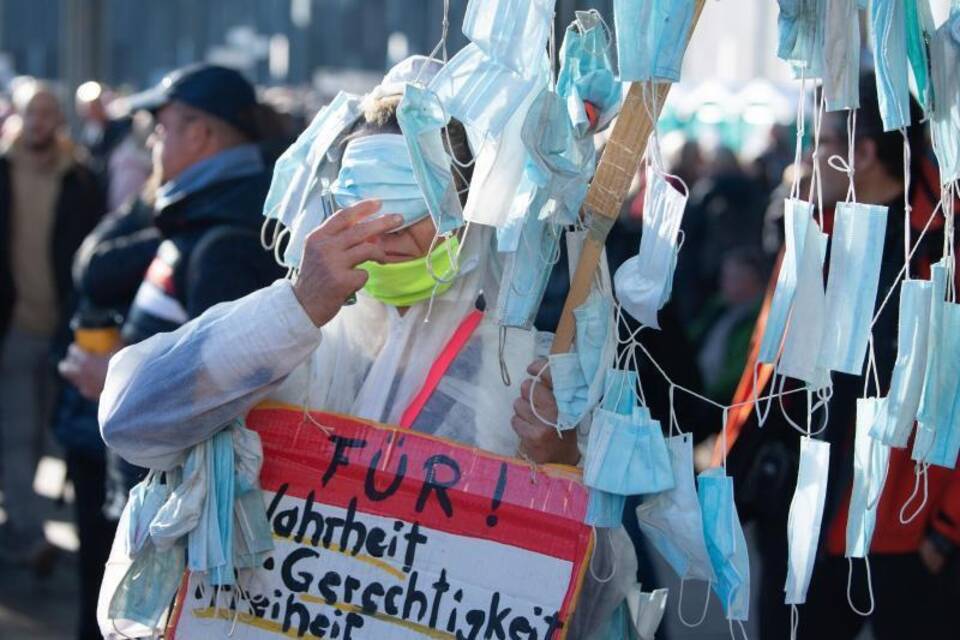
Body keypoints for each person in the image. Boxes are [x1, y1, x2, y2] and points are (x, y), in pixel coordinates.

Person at [98, 57, 634, 638]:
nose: (388, 236)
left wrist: (558, 466)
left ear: (470, 214)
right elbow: (133, 422)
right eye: (366, 207)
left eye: (415, 209)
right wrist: (296, 306)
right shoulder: (288, 341)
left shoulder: (525, 380)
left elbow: (591, 599)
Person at [723, 74, 960, 639]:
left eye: (823, 143)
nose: (810, 157)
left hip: (907, 530)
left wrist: (948, 527)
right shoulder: (815, 231)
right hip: (805, 517)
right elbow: (767, 366)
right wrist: (735, 475)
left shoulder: (945, 242)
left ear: (864, 152)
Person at [0, 79, 105, 572]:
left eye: (47, 112)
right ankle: (27, 531)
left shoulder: (80, 178)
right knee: (16, 432)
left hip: (62, 327)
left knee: (48, 436)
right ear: (17, 117)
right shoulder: (2, 171)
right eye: (31, 112)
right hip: (12, 325)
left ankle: (25, 520)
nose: (39, 121)